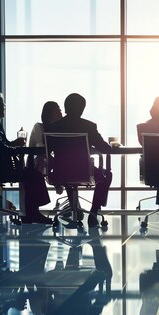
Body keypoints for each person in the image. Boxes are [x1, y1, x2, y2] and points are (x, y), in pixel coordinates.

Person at [0, 92, 50, 223]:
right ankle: (32, 214)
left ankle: (31, 213)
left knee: (29, 174)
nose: (4, 107)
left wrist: (13, 144)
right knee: (33, 175)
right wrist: (17, 149)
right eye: (3, 104)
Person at [47, 93, 113, 228]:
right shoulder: (88, 126)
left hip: (60, 173)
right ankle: (94, 212)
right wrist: (114, 145)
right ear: (82, 109)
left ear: (65, 108)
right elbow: (104, 148)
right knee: (107, 175)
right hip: (83, 172)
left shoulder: (54, 127)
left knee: (67, 173)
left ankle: (74, 208)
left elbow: (48, 152)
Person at [21, 101, 63, 223]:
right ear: (50, 113)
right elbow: (40, 149)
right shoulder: (39, 127)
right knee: (38, 169)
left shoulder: (58, 128)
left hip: (47, 161)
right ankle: (56, 183)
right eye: (58, 110)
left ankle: (57, 182)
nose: (61, 113)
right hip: (35, 162)